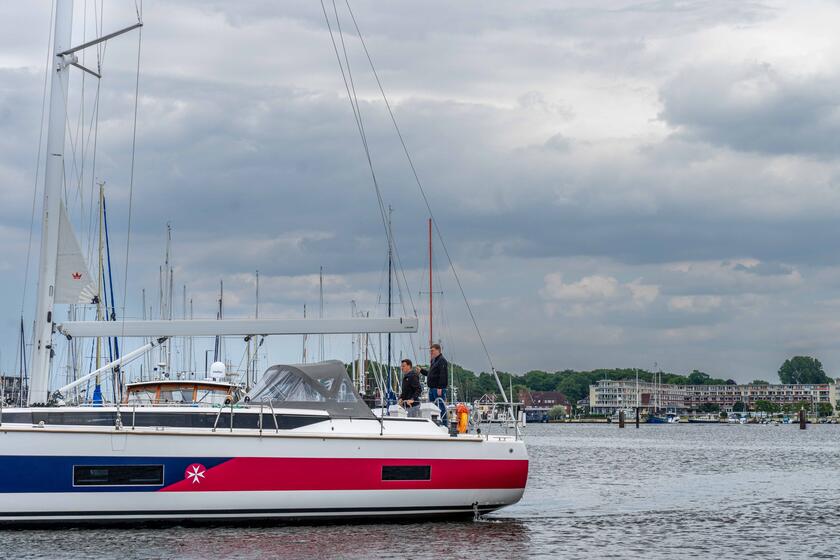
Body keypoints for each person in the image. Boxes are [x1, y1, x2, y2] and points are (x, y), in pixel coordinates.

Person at [419, 343, 449, 424]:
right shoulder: (434, 361)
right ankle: (435, 423)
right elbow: (430, 374)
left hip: (438, 389)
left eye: (432, 350)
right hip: (432, 389)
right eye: (430, 351)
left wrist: (440, 387)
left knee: (441, 407)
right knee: (433, 408)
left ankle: (444, 424)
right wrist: (421, 371)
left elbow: (443, 375)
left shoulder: (442, 360)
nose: (431, 352)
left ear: (438, 350)